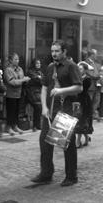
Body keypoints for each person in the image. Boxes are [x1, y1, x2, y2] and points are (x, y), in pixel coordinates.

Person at [31, 40, 82, 187]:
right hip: (50, 111)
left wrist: (61, 90)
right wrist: (44, 107)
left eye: (57, 51)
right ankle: (46, 174)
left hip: (65, 110)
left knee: (66, 144)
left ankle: (71, 176)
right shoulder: (50, 67)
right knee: (45, 142)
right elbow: (44, 88)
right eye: (52, 51)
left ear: (64, 52)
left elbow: (79, 88)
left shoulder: (71, 66)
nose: (54, 54)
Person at [4, 53, 30, 135]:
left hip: (19, 94)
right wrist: (23, 80)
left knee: (17, 111)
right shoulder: (8, 70)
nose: (17, 61)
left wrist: (26, 80)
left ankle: (15, 126)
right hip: (11, 94)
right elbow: (12, 82)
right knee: (11, 111)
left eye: (18, 59)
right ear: (11, 60)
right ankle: (8, 127)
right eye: (15, 59)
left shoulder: (20, 69)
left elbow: (22, 79)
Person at [75, 62, 93, 147]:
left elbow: (81, 90)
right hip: (77, 100)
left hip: (84, 101)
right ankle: (86, 138)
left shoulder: (87, 79)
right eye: (78, 68)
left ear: (85, 70)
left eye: (81, 69)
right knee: (79, 120)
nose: (79, 70)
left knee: (82, 120)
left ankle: (78, 142)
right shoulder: (77, 77)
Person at [26, 59, 43, 131]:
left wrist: (40, 78)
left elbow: (43, 80)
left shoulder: (39, 72)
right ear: (33, 64)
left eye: (39, 63)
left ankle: (37, 125)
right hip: (31, 92)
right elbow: (37, 80)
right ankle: (35, 126)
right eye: (37, 63)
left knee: (39, 108)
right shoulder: (30, 72)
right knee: (37, 107)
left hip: (38, 92)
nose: (39, 65)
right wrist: (39, 78)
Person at [85, 49, 100, 120]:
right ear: (92, 55)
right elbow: (89, 73)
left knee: (96, 100)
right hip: (90, 85)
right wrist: (97, 76)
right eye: (95, 54)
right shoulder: (86, 62)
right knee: (89, 100)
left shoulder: (94, 63)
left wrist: (99, 75)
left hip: (96, 85)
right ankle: (88, 115)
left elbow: (96, 72)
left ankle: (92, 114)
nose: (96, 56)